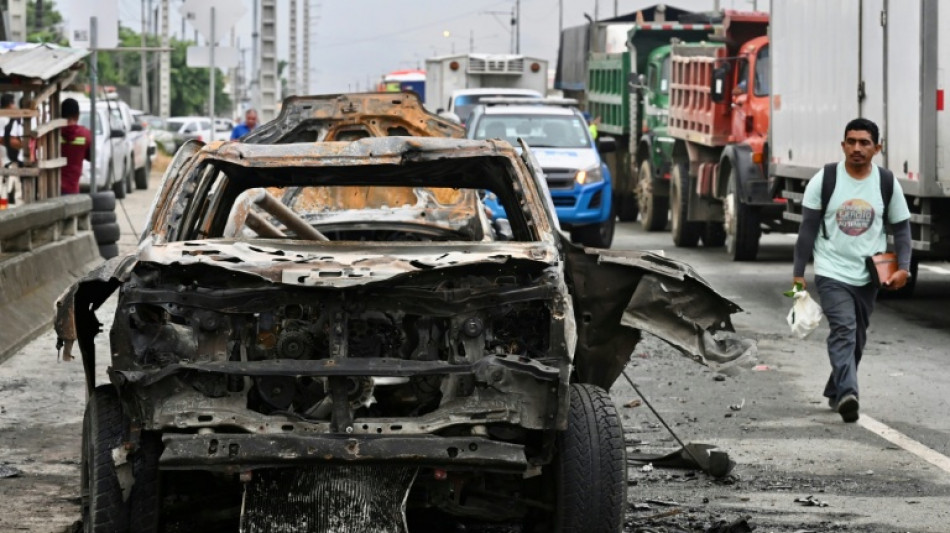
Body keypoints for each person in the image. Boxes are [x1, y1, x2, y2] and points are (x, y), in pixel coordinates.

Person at [792, 118, 912, 423]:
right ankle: (848, 393)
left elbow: (901, 229)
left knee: (857, 337)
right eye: (851, 142)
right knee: (843, 330)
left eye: (864, 143)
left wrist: (905, 268)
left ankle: (835, 389)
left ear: (877, 148)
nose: (857, 148)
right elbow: (807, 229)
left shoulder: (886, 182)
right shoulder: (826, 178)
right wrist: (798, 274)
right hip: (831, 271)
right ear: (843, 145)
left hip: (868, 275)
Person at [60, 98, 93, 195]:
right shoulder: (85, 134)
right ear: (78, 115)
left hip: (52, 189)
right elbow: (91, 157)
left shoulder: (54, 134)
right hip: (73, 189)